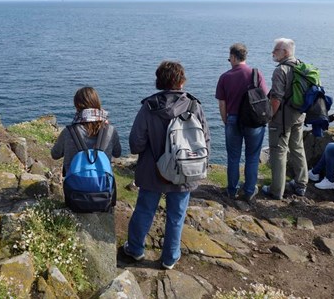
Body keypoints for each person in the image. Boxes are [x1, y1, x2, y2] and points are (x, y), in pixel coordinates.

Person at [123, 61, 210, 270]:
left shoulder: (149, 107)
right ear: (181, 81)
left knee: (144, 210)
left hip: (153, 171)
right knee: (177, 215)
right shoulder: (193, 105)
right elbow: (205, 140)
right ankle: (170, 257)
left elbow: (136, 143)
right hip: (184, 169)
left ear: (159, 81)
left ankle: (135, 249)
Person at [215, 43, 268, 202]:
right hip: (253, 121)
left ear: (233, 57)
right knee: (252, 156)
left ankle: (232, 190)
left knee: (233, 157)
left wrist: (226, 121)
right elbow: (264, 96)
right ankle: (250, 191)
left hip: (233, 119)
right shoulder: (256, 74)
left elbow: (222, 103)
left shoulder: (225, 77)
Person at [262, 38, 308, 199]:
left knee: (278, 152)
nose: (273, 53)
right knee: (297, 148)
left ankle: (276, 190)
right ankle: (301, 184)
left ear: (286, 52)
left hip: (281, 118)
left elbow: (276, 98)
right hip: (299, 115)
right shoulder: (302, 66)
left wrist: (269, 116)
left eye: (276, 50)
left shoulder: (280, 70)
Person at [51, 86, 122, 175]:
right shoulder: (110, 130)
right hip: (103, 184)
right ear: (97, 103)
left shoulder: (68, 132)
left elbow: (55, 154)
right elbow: (117, 153)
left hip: (75, 185)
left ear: (77, 106)